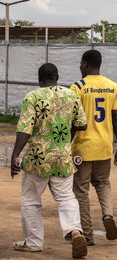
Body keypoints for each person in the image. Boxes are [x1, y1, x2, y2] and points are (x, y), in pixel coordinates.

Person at [10, 63, 88, 258]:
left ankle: (34, 242)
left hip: (38, 158)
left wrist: (15, 155)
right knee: (66, 197)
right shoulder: (71, 95)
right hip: (63, 157)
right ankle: (75, 230)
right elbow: (82, 124)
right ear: (57, 76)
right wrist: (65, 140)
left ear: (39, 79)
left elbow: (25, 129)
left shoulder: (33, 97)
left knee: (31, 200)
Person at [71, 49, 117, 245]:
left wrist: (65, 146)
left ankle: (87, 234)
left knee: (81, 191)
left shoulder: (77, 87)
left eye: (80, 64)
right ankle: (108, 215)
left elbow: (72, 122)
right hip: (104, 147)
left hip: (82, 148)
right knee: (103, 184)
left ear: (85, 64)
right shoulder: (113, 87)